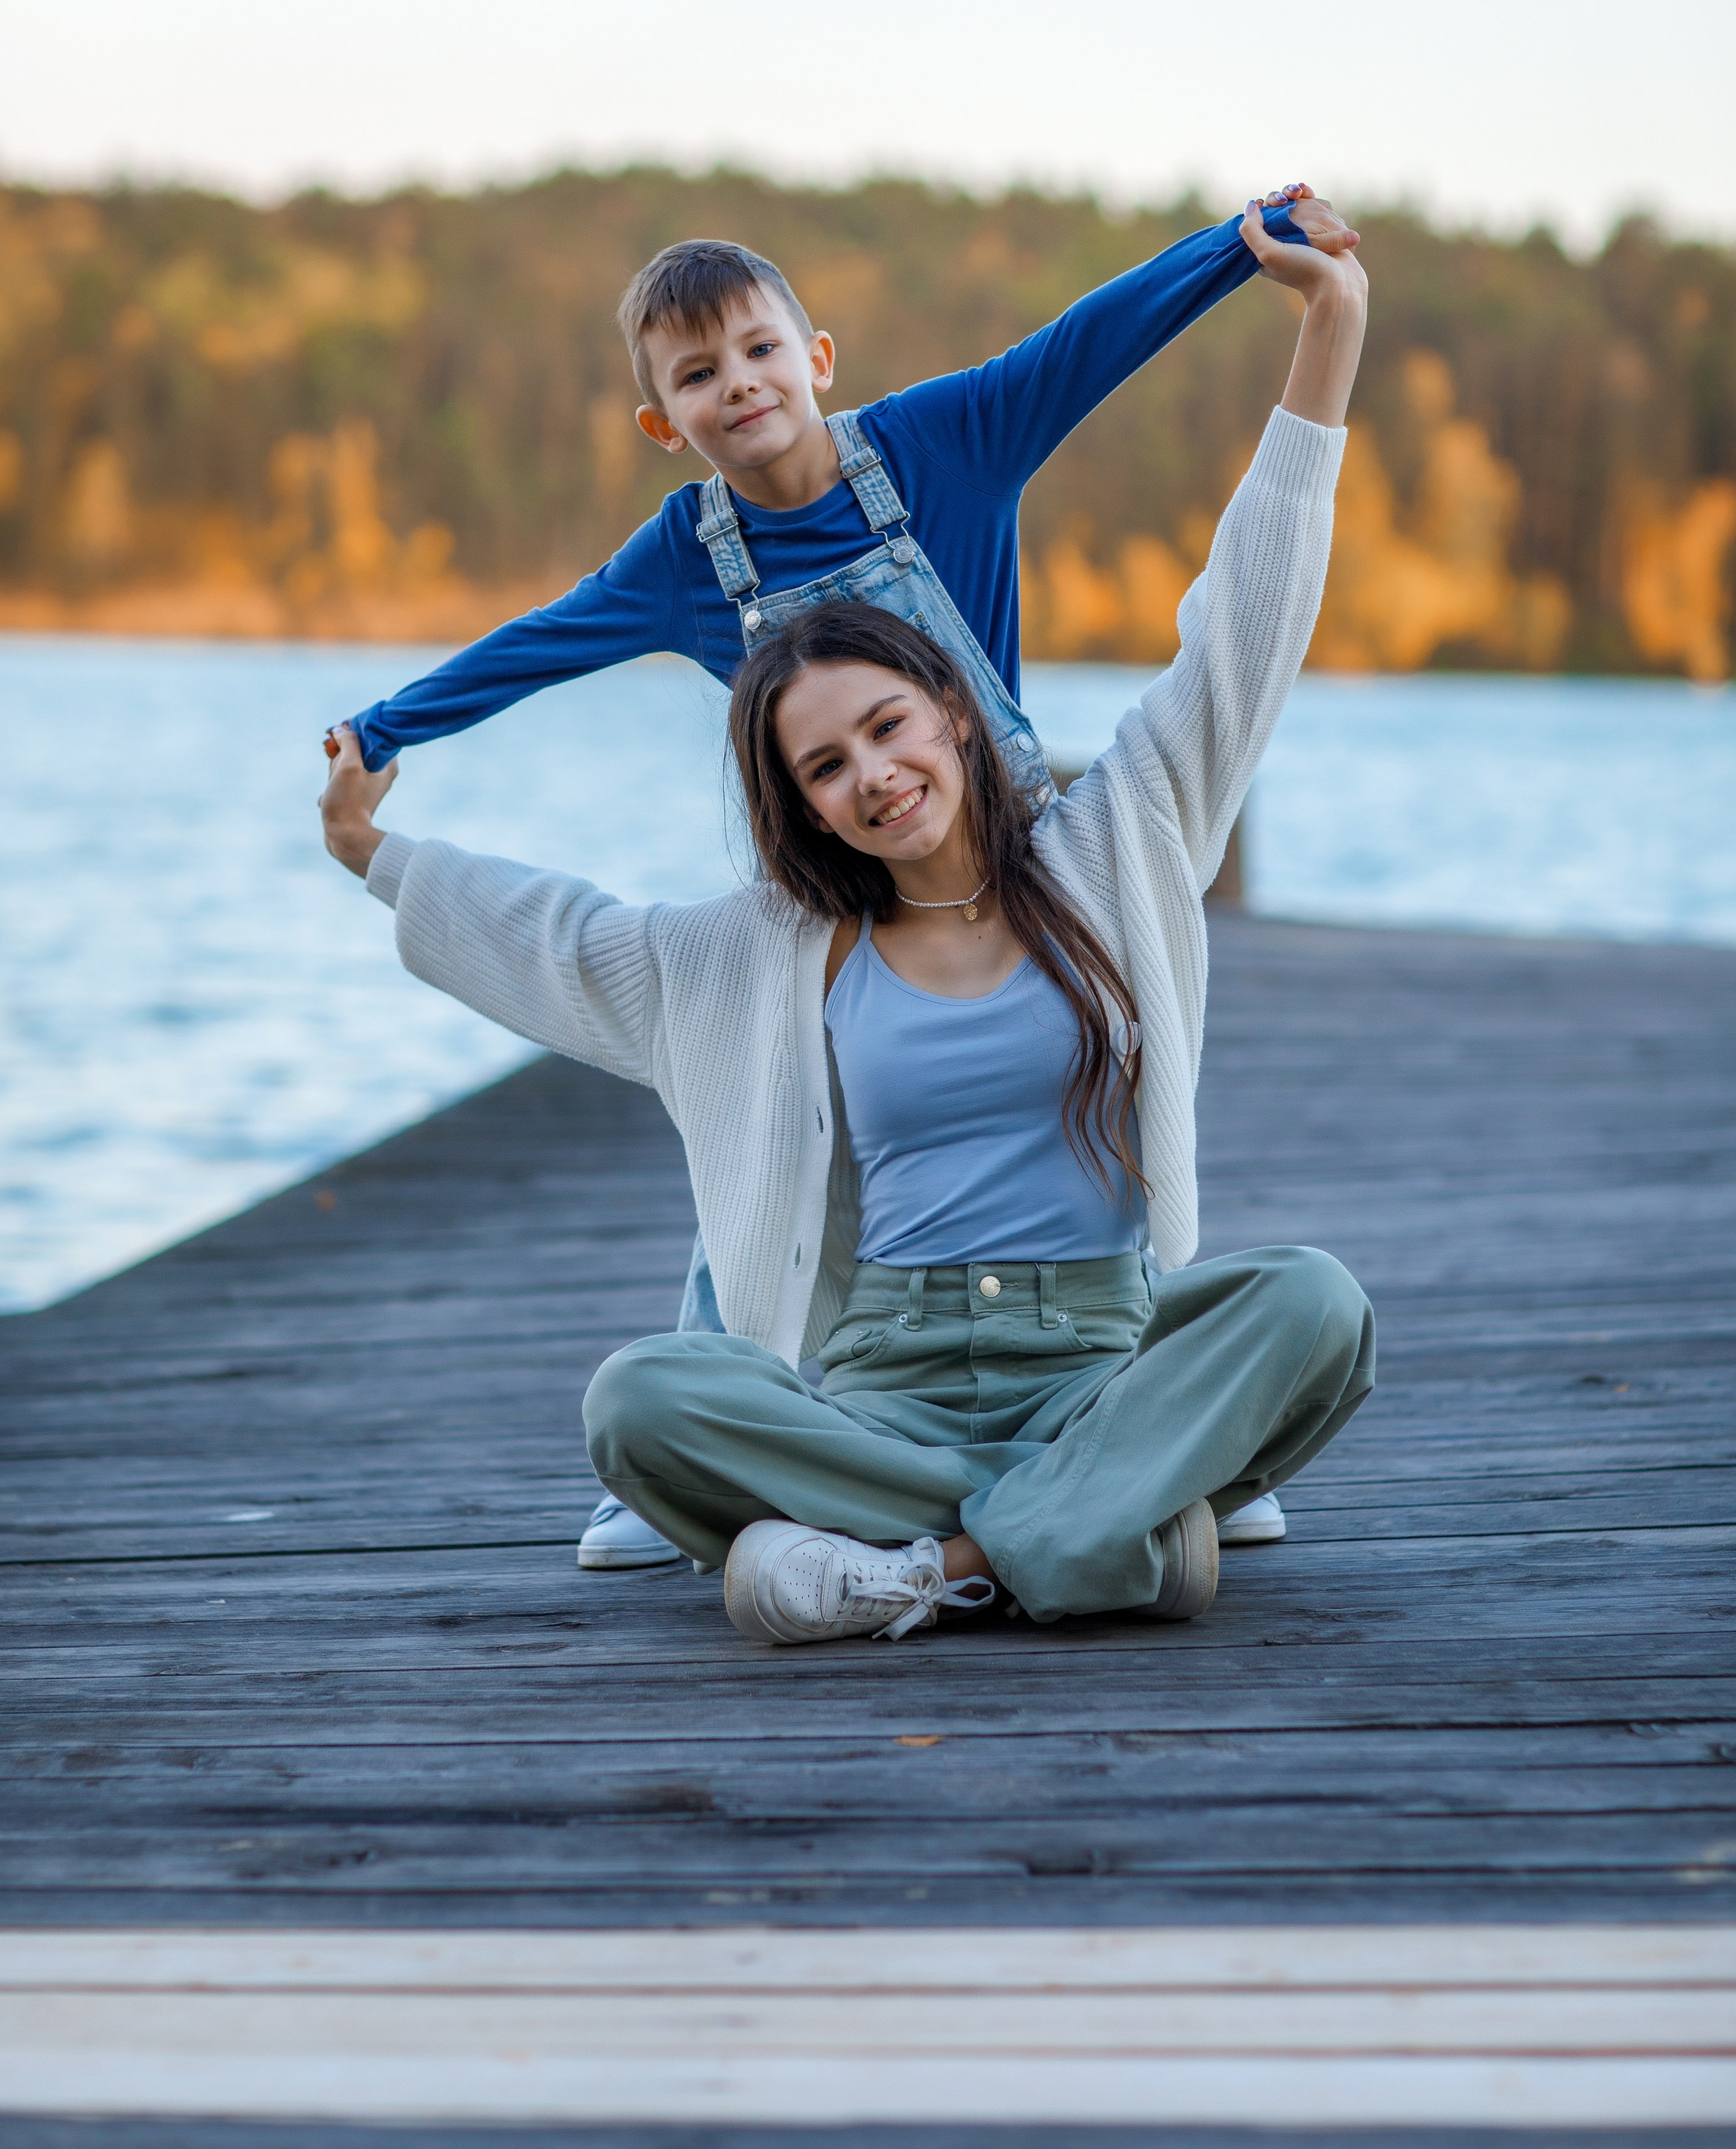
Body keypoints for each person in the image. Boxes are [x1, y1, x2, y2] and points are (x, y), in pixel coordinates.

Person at [319, 203, 1373, 1641]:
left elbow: (1127, 418)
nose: (870, 775)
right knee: (650, 1382)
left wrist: (1251, 256)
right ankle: (1119, 1512)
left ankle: (930, 1558)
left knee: (1312, 1304)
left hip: (1095, 1339)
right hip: (886, 1374)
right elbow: (561, 899)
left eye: (889, 729)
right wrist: (377, 798)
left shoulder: (1099, 819)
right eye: (823, 763)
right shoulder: (769, 925)